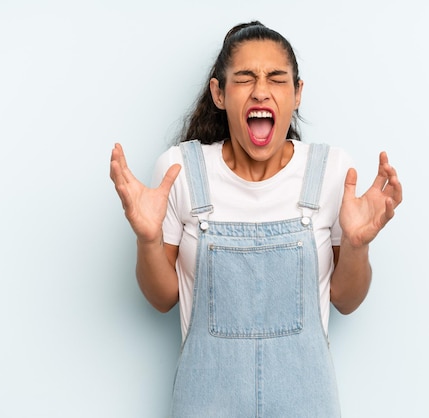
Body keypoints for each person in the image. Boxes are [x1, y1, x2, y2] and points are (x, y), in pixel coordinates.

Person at [110, 21, 402, 417]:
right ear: (219, 93)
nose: (261, 90)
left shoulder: (331, 171)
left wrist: (356, 245)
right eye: (245, 78)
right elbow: (162, 299)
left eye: (277, 79)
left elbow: (346, 301)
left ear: (297, 93)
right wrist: (147, 240)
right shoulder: (180, 171)